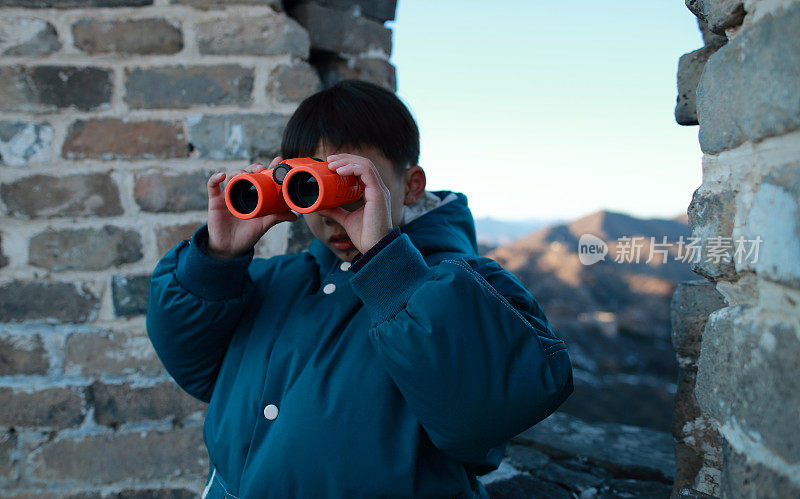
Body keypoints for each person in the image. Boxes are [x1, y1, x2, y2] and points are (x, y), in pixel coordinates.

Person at [146, 79, 573, 498]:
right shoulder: (277, 281)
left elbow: (490, 410)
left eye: (349, 186)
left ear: (411, 185)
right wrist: (216, 261)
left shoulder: (466, 284)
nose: (331, 214)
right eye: (310, 187)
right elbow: (196, 365)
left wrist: (388, 265)